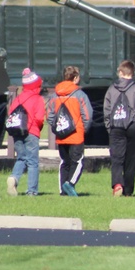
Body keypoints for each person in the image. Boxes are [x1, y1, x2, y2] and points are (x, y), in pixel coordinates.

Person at [103, 59, 135, 197]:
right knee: (131, 158)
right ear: (132, 73)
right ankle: (128, 190)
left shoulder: (112, 88)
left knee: (116, 157)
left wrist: (109, 127)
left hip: (116, 125)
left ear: (121, 72)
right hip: (134, 125)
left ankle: (117, 184)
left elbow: (106, 110)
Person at [47, 65, 93, 196]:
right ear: (76, 78)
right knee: (78, 162)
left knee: (64, 162)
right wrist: (84, 129)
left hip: (61, 136)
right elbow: (87, 116)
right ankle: (70, 184)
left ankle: (62, 190)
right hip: (76, 134)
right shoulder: (80, 95)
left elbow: (50, 116)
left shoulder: (54, 95)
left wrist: (58, 128)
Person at [6, 67, 46, 197]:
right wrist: (37, 128)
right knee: (33, 162)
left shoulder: (18, 98)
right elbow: (40, 118)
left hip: (17, 132)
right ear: (36, 85)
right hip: (31, 132)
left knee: (21, 158)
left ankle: (14, 178)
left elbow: (11, 113)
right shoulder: (38, 99)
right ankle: (32, 191)